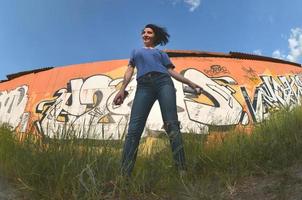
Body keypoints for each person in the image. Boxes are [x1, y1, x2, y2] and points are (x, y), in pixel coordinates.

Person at [113, 24, 202, 177]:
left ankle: (182, 171)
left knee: (172, 125)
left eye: (149, 32)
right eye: (143, 32)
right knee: (134, 129)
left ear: (155, 36)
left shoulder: (161, 54)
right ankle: (124, 175)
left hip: (164, 83)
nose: (145, 34)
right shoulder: (136, 51)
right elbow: (129, 70)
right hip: (143, 86)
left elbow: (171, 71)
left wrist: (190, 83)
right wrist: (122, 89)